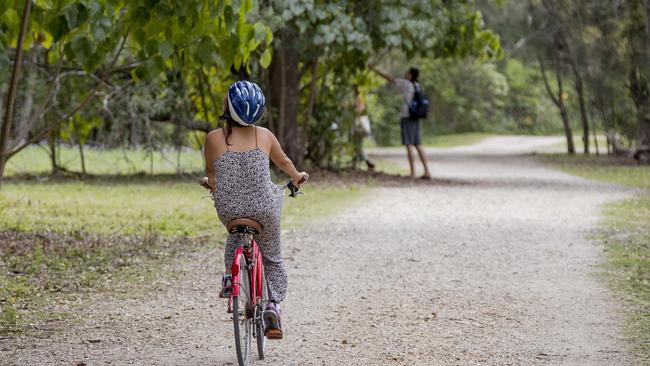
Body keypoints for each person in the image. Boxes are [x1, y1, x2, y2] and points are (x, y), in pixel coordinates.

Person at [202, 80, 309, 339]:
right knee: (272, 257)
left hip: (229, 210)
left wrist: (210, 185)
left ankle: (230, 276)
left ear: (228, 106)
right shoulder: (264, 135)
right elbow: (283, 161)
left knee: (236, 234)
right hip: (263, 208)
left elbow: (211, 174)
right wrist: (296, 176)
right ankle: (273, 305)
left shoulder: (213, 138)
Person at [369, 65, 432, 179]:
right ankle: (426, 171)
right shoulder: (418, 85)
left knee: (408, 144)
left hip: (407, 116)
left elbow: (390, 79)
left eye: (407, 73)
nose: (405, 74)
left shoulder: (406, 83)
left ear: (411, 75)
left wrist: (374, 69)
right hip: (415, 117)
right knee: (418, 144)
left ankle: (412, 172)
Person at [353, 86, 376, 171]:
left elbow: (360, 109)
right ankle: (363, 161)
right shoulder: (359, 97)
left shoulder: (359, 98)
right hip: (358, 123)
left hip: (358, 124)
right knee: (357, 145)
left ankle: (365, 161)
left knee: (357, 145)